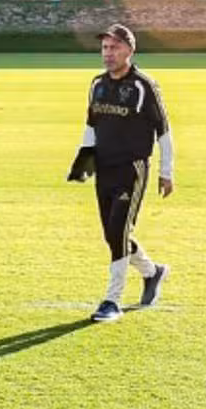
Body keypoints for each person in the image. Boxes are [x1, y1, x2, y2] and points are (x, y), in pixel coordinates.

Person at [74, 23, 175, 323]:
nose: (108, 53)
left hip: (132, 168)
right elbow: (91, 125)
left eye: (114, 47)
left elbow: (164, 131)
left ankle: (111, 300)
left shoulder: (144, 86)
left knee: (118, 230)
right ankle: (152, 272)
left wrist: (166, 172)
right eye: (105, 47)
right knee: (112, 234)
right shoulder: (97, 84)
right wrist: (83, 162)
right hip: (104, 166)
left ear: (130, 50)